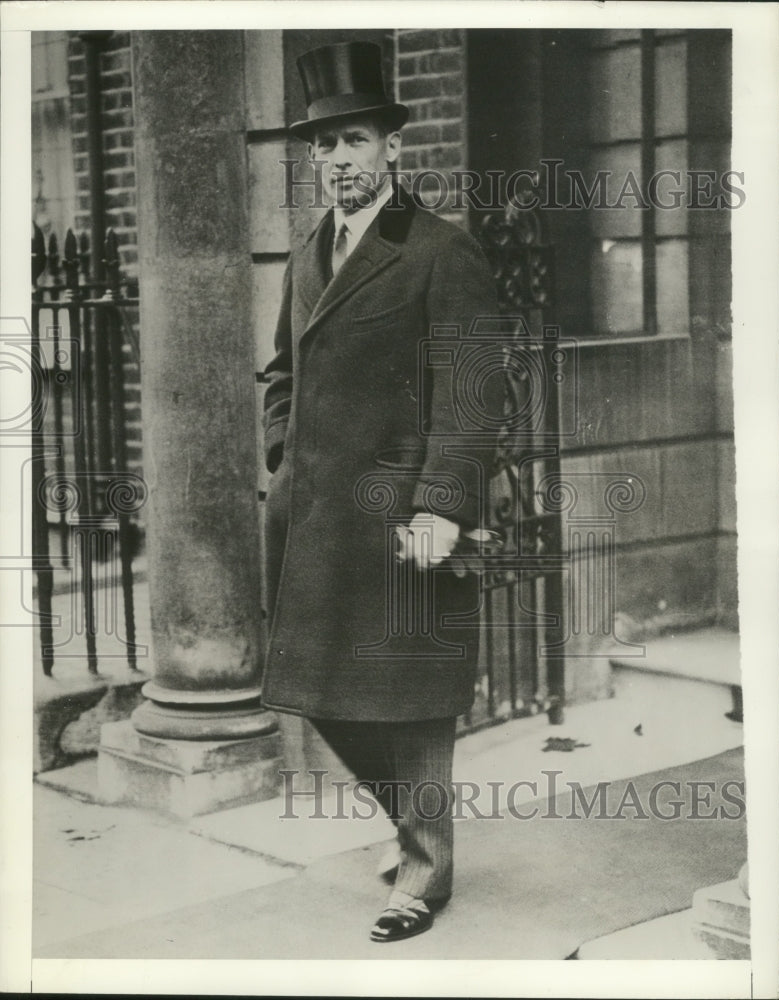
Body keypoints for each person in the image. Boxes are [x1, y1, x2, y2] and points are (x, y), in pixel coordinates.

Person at [261, 41, 503, 942]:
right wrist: (285, 451)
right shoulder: (306, 253)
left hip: (403, 515)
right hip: (316, 515)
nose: (337, 161)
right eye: (322, 146)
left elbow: (476, 387)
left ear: (393, 148)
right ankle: (414, 828)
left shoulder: (440, 250)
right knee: (317, 688)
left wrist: (442, 502)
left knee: (411, 696)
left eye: (354, 140)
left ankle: (427, 872)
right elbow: (281, 371)